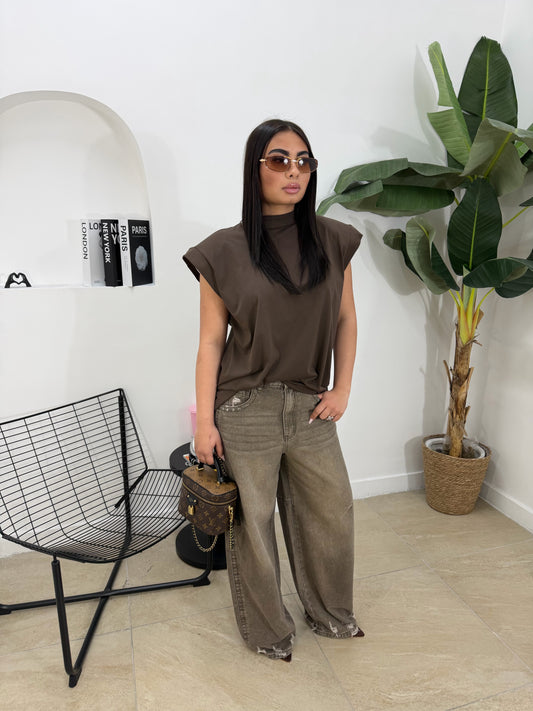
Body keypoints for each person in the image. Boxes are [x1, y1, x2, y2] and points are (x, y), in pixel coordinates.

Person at [183, 118, 364, 661]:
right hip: (245, 406)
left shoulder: (333, 239)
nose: (294, 171)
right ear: (255, 168)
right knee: (254, 526)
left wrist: (342, 387)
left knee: (332, 512)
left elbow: (346, 319)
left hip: (310, 404)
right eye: (279, 159)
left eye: (304, 161)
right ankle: (267, 631)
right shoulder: (222, 251)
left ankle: (331, 613)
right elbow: (210, 343)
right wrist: (205, 423)